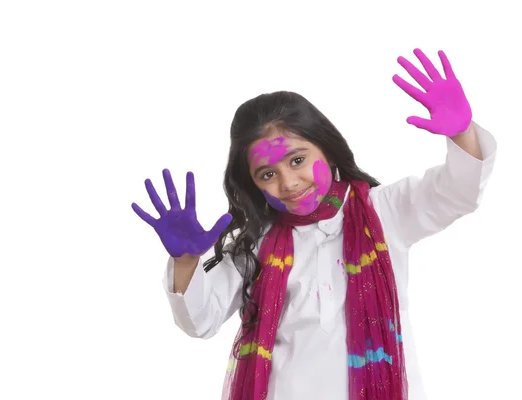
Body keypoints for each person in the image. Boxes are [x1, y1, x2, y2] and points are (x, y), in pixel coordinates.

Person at [131, 48, 497, 400]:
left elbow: (457, 193)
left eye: (297, 160)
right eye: (268, 173)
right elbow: (200, 321)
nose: (288, 183)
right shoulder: (256, 243)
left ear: (327, 149)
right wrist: (186, 262)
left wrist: (461, 133)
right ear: (252, 183)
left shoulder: (384, 212)